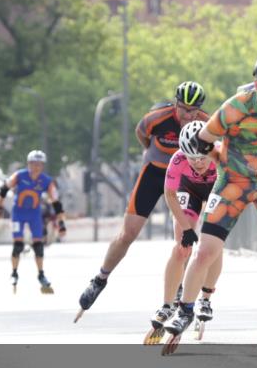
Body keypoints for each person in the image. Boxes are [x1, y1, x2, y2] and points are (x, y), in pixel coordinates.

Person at [162, 53, 257, 352]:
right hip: (232, 183)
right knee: (205, 251)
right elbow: (204, 139)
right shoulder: (237, 105)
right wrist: (222, 162)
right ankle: (185, 310)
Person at [75, 81, 209, 321]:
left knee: (183, 237)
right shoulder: (157, 118)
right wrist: (152, 153)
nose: (188, 115)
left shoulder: (204, 124)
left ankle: (178, 286)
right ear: (175, 104)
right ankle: (100, 279)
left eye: (193, 110)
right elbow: (141, 134)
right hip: (154, 173)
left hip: (181, 179)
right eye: (183, 109)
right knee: (128, 233)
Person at [145, 120, 221, 344]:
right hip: (189, 189)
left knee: (214, 242)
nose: (198, 162)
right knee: (181, 249)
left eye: (202, 157)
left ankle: (205, 298)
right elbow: (170, 196)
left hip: (217, 188)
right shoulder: (177, 160)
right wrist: (187, 229)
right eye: (192, 157)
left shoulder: (221, 156)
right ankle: (167, 305)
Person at [0, 149, 66, 294]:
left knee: (38, 245)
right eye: (33, 164)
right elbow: (3, 189)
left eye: (39, 164)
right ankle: (14, 272)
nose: (36, 167)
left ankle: (41, 275)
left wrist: (62, 224)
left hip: (34, 214)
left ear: (42, 166)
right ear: (28, 164)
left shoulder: (46, 181)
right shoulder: (19, 175)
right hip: (18, 213)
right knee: (18, 245)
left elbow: (56, 203)